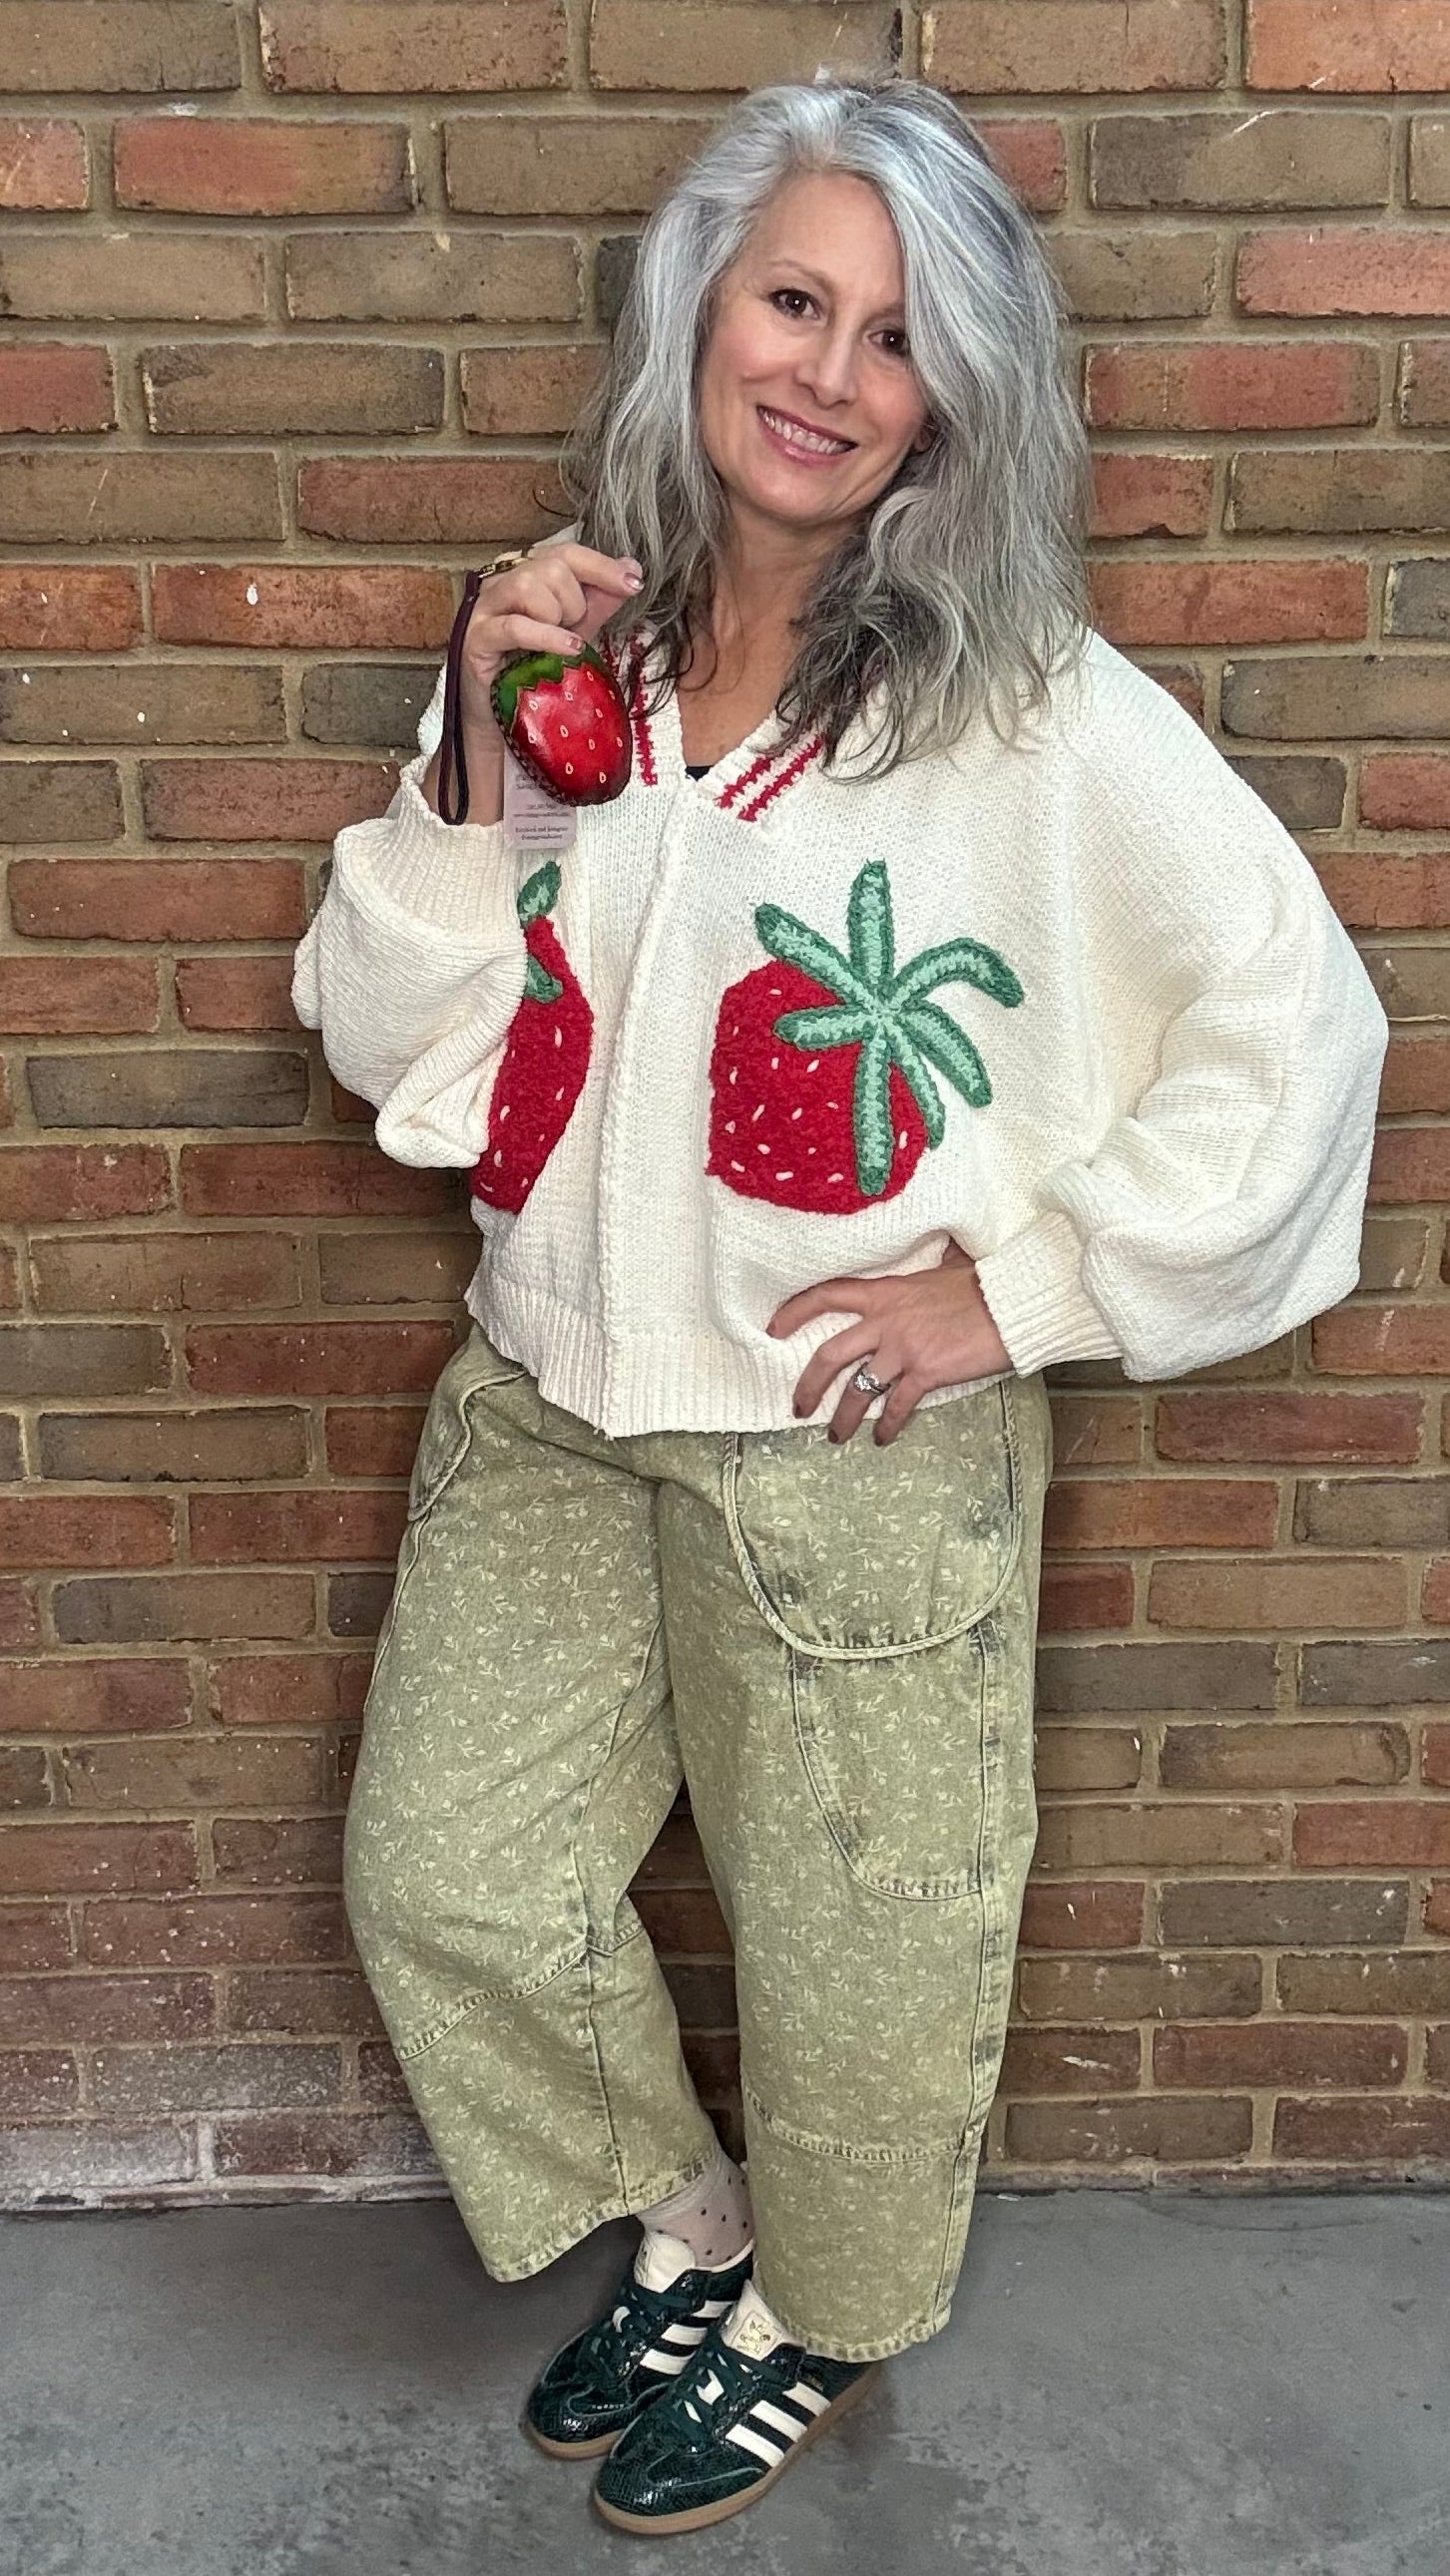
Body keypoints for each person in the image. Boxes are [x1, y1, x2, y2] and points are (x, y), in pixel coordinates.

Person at [291, 76, 1387, 2537]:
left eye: (896, 337)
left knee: (864, 1947)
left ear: (956, 396)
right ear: (702, 310)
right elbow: (402, 1046)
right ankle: (696, 2224)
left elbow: (1299, 1025)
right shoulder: (586, 647)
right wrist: (473, 751)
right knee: (448, 1877)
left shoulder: (1023, 714)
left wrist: (1026, 1293)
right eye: (792, 297)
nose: (826, 369)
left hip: (848, 1449)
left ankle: (816, 2309)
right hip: (552, 1392)